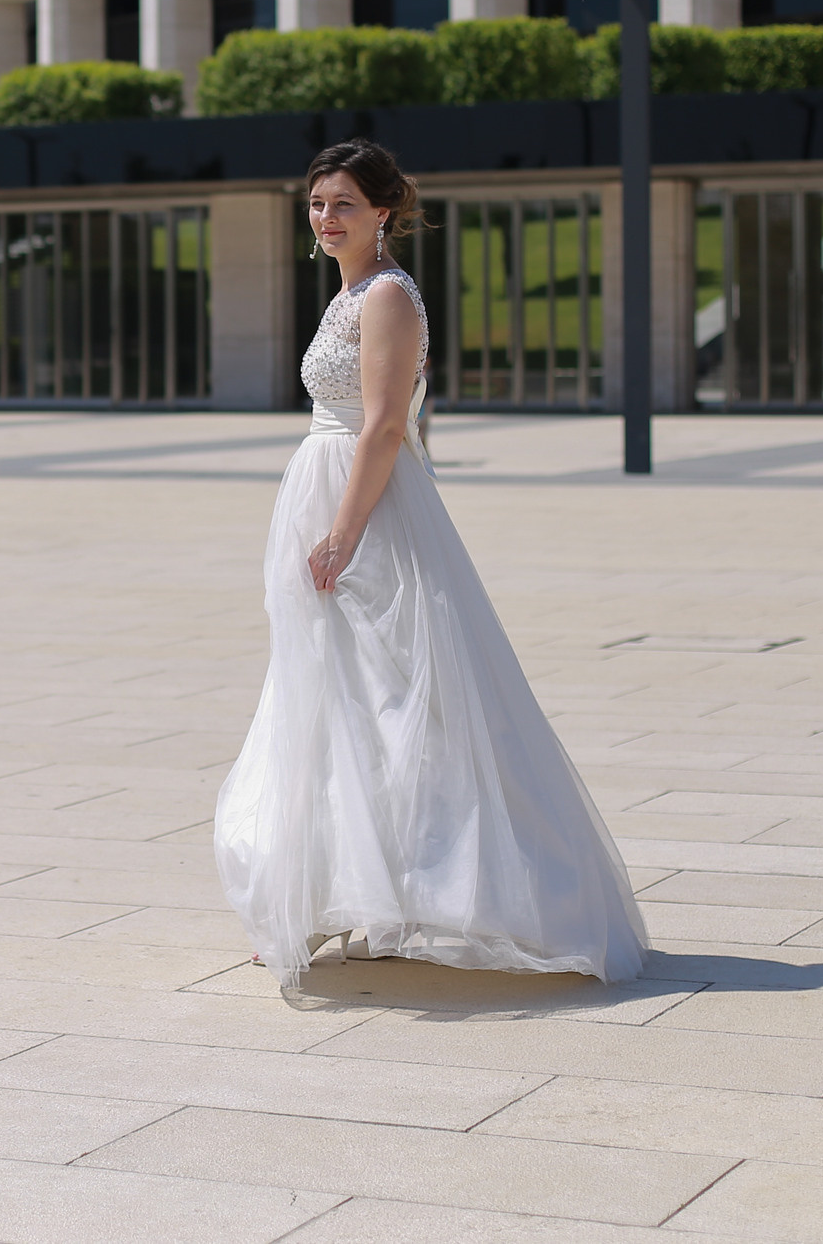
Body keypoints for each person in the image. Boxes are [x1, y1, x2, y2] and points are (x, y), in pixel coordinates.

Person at [213, 139, 647, 989]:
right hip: (330, 489)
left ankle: (443, 891)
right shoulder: (348, 293)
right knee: (333, 698)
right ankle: (341, 894)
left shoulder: (387, 298)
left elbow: (381, 425)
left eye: (342, 203)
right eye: (316, 204)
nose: (326, 217)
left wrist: (344, 531)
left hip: (366, 507)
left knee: (393, 697)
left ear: (383, 211)